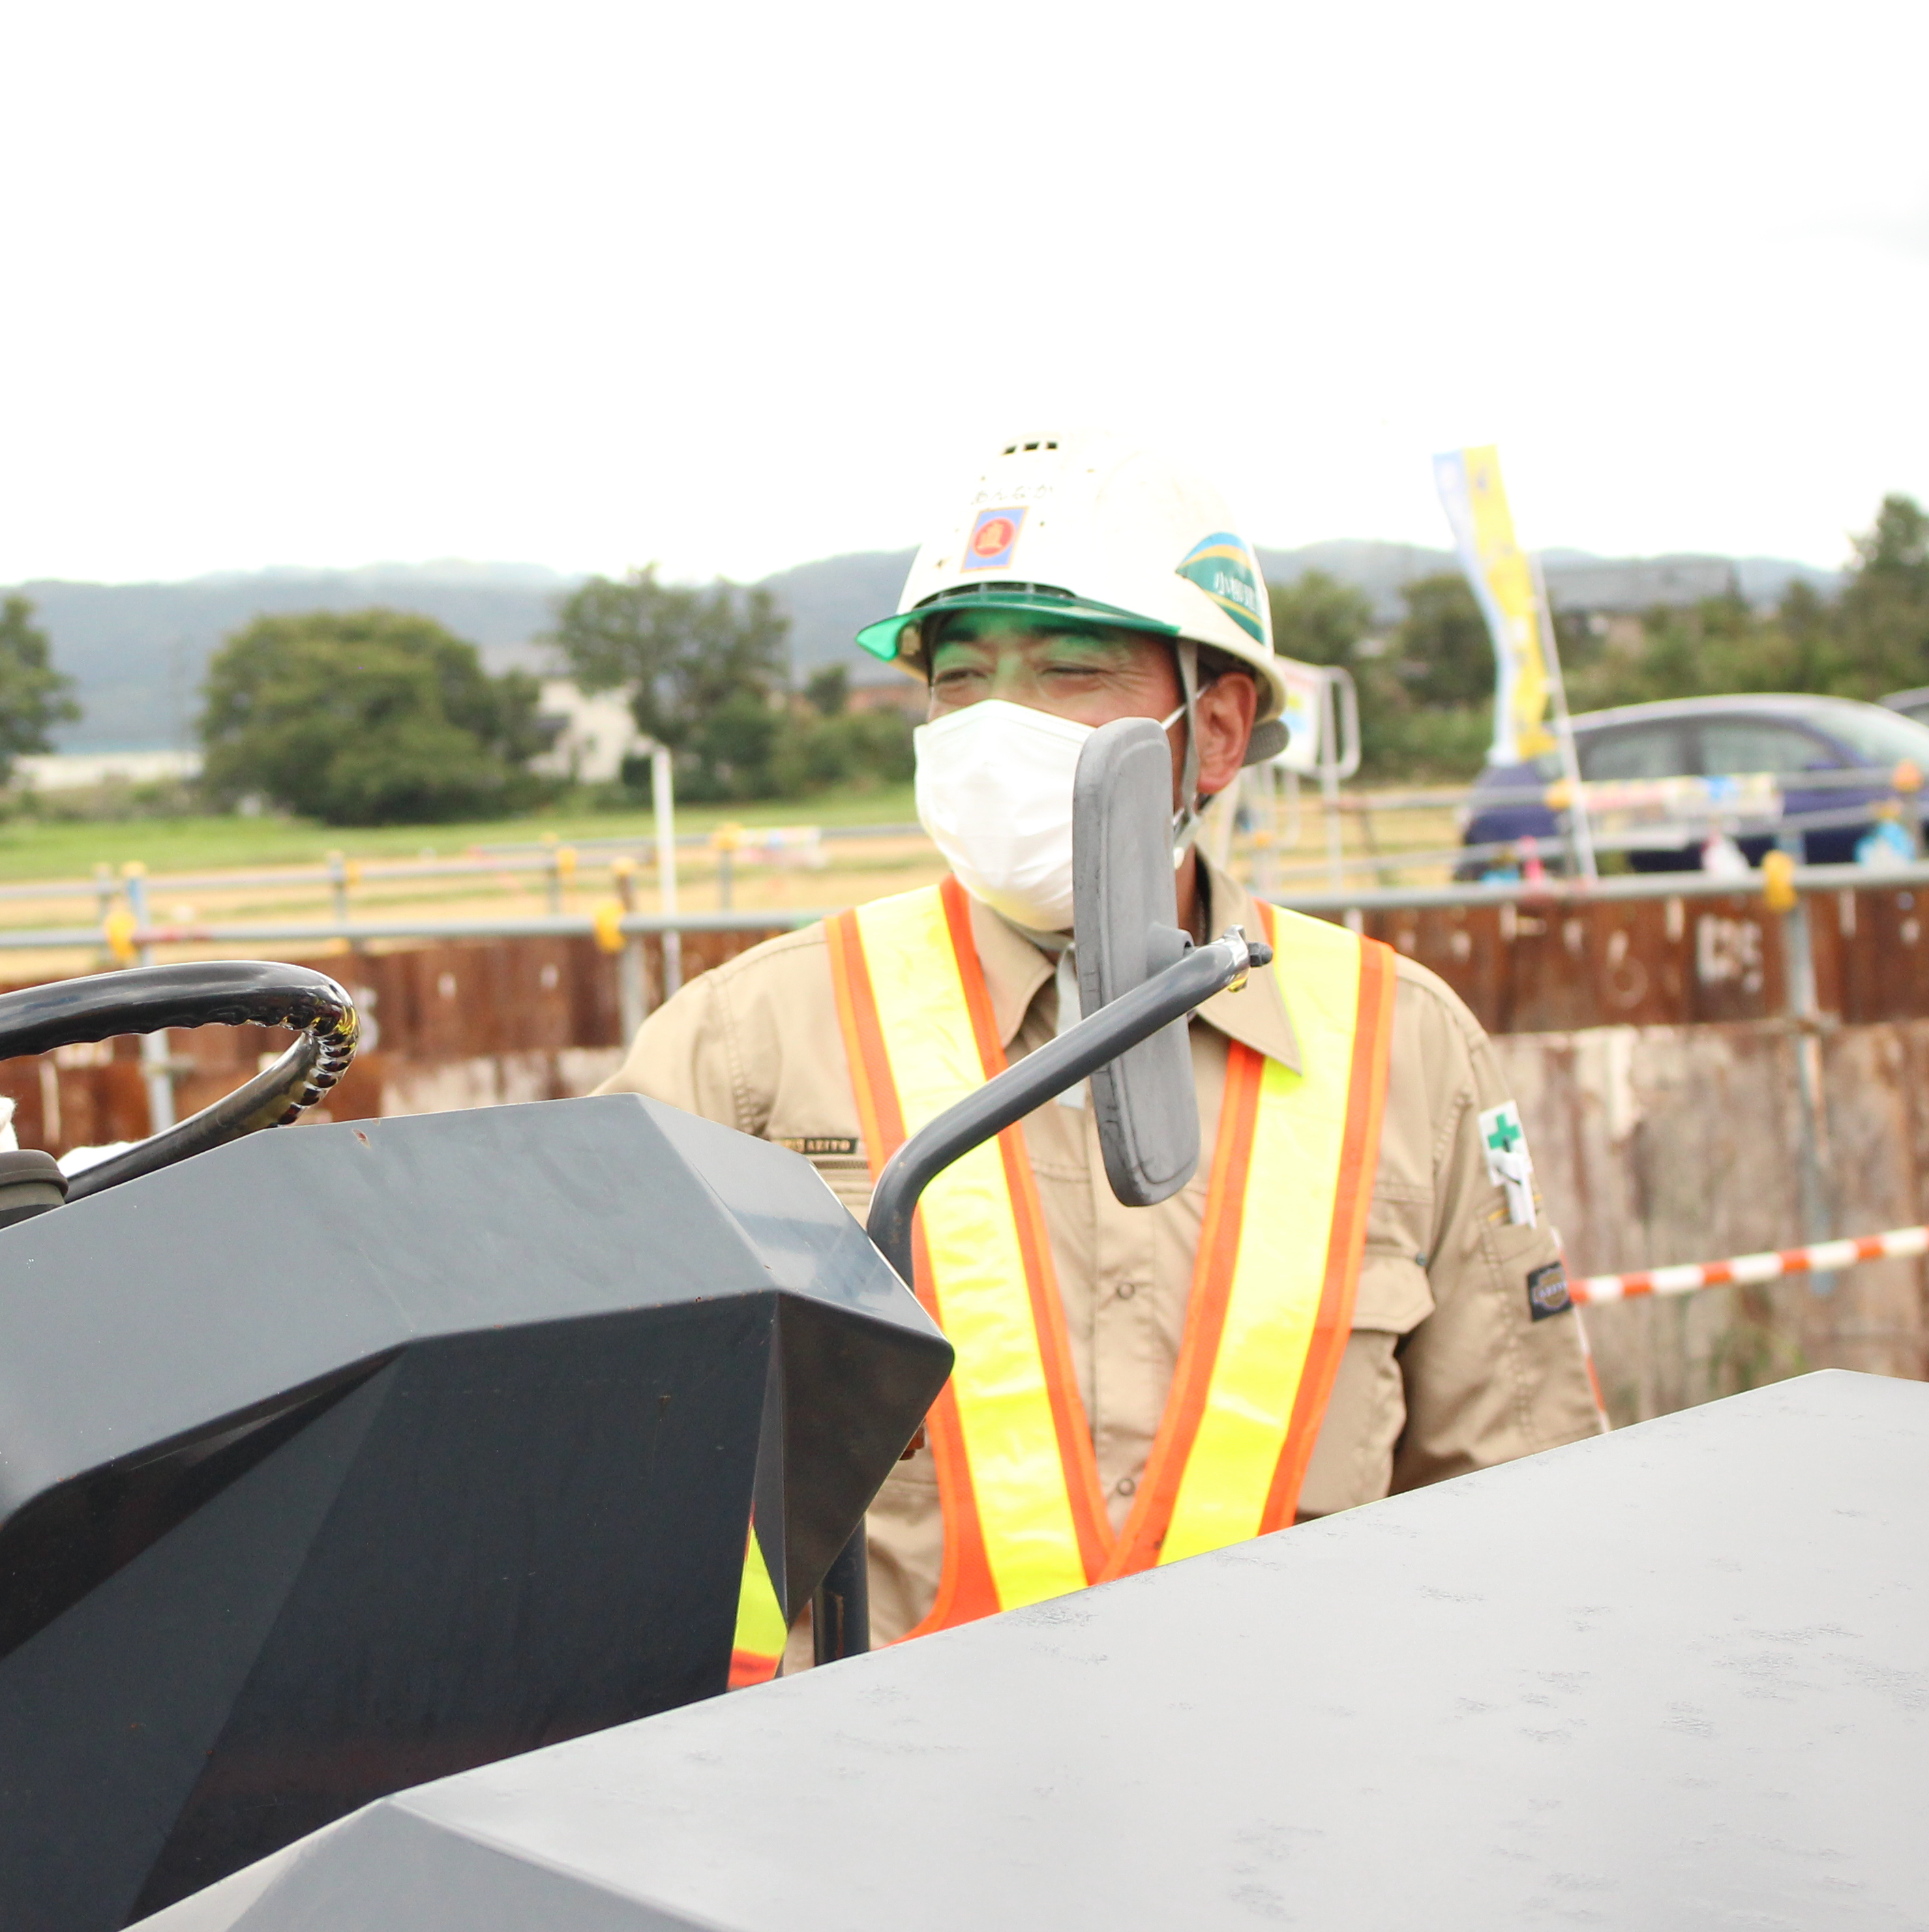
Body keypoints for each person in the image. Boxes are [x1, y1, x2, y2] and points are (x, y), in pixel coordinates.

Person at [599, 430, 1603, 1669]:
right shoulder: (745, 1041)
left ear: (1218, 729)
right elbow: (600, 1496)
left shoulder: (1409, 1048)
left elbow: (1519, 1505)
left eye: (1070, 673)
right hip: (870, 1820)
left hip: (1299, 1810)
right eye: (960, 681)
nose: (991, 728)